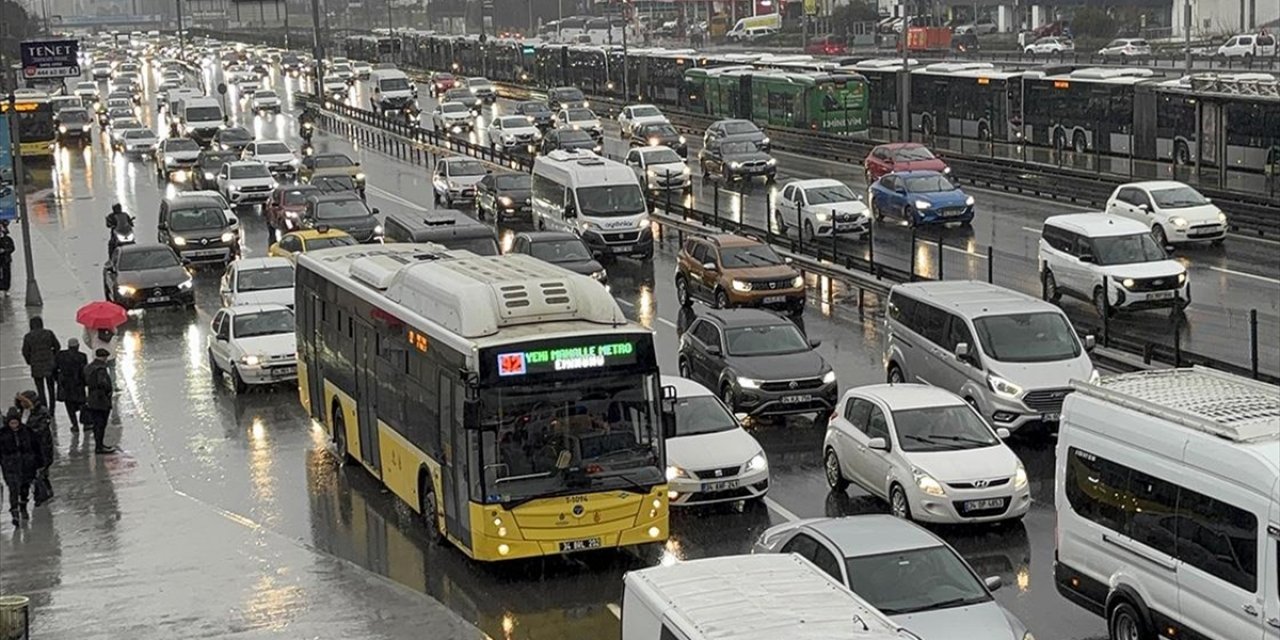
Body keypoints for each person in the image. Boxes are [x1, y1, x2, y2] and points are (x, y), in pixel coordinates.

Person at [0, 409, 42, 525]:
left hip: (26, 466)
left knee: (24, 488)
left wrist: (39, 464)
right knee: (13, 489)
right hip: (10, 467)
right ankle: (14, 511)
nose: (14, 425)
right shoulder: (2, 434)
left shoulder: (27, 431)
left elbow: (36, 448)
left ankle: (23, 505)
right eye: (11, 423)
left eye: (15, 422)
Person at [15, 391, 54, 506]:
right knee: (39, 473)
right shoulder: (22, 412)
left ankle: (41, 496)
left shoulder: (42, 413)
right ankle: (47, 491)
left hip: (41, 448)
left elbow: (41, 431)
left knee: (39, 472)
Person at [21, 316, 59, 408]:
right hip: (50, 364)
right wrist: (53, 357)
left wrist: (30, 361)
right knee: (51, 388)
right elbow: (57, 346)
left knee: (40, 389)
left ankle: (44, 407)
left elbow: (25, 351)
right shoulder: (49, 333)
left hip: (36, 365)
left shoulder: (28, 336)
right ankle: (52, 409)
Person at [83, 348, 116, 454]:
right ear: (104, 357)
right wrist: (108, 393)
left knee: (96, 423)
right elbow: (104, 384)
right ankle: (99, 446)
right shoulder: (100, 369)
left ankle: (99, 445)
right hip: (101, 400)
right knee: (101, 424)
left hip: (91, 399)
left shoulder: (88, 367)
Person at [55, 337, 89, 432]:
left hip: (66, 385)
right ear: (78, 346)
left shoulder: (60, 355)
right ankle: (85, 423)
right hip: (78, 384)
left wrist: (57, 380)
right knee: (82, 404)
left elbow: (54, 368)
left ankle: (74, 425)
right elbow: (84, 371)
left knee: (69, 406)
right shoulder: (82, 356)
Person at [0, 220, 14, 295]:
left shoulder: (7, 239)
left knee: (6, 274)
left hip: (5, 259)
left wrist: (5, 250)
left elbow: (12, 248)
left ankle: (6, 288)